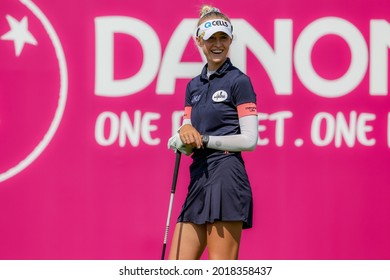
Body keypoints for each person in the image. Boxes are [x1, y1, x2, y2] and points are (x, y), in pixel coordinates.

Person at [167, 5, 258, 260]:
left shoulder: (239, 81)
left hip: (227, 175)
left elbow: (250, 140)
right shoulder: (193, 86)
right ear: (199, 41)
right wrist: (182, 135)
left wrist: (204, 139)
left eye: (223, 38)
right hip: (198, 177)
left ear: (231, 40)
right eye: (210, 39)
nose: (217, 45)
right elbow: (187, 135)